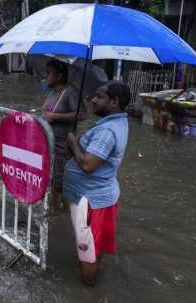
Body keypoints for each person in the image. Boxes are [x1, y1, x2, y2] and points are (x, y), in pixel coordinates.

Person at [63, 80, 131, 286]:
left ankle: (87, 291)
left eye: (99, 96)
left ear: (114, 102)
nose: (92, 100)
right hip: (98, 197)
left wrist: (74, 143)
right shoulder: (115, 122)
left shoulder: (107, 131)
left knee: (87, 253)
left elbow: (88, 165)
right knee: (93, 247)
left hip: (90, 201)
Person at [41, 59, 86, 206]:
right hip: (50, 146)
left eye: (49, 73)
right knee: (52, 183)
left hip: (63, 148)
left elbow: (82, 115)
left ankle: (62, 217)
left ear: (59, 76)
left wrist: (56, 116)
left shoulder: (70, 92)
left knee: (60, 186)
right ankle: (55, 216)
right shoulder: (53, 93)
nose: (45, 76)